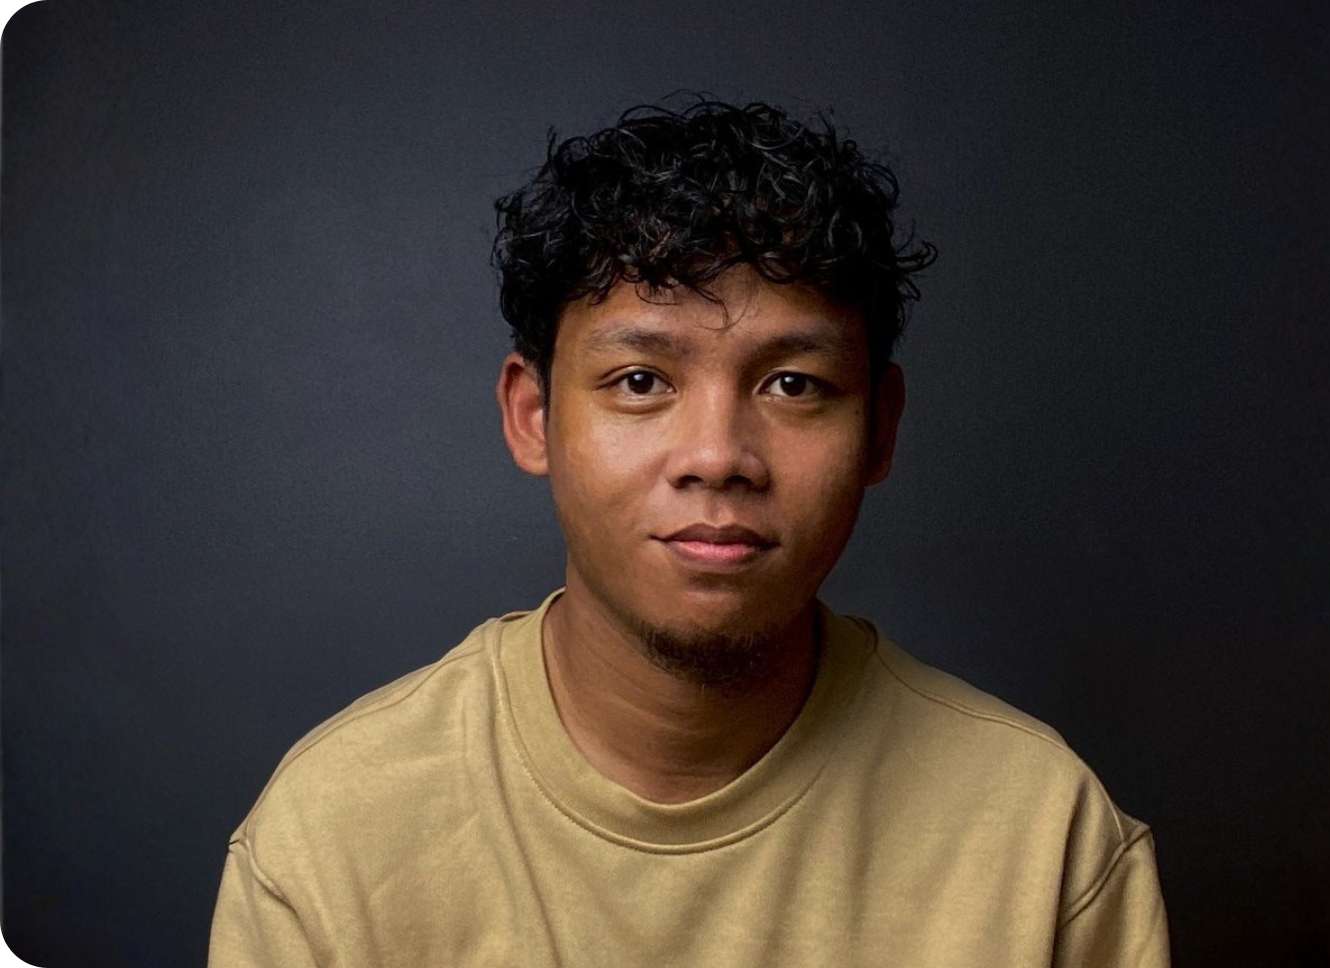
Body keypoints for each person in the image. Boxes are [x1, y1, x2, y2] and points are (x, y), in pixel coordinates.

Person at [207, 97, 1171, 967]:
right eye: (640, 382)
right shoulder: (336, 837)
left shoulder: (1042, 836)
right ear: (533, 416)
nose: (717, 456)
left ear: (880, 429)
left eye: (792, 384)